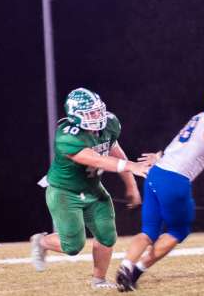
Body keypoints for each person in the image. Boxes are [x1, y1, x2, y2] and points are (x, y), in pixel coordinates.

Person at [116, 88, 204, 292]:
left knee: (149, 231)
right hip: (174, 179)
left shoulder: (199, 117)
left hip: (156, 173)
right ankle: (136, 272)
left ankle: (126, 266)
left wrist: (160, 156)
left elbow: (181, 144)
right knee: (178, 231)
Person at [30, 88, 147, 289]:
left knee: (107, 236)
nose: (97, 116)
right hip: (64, 192)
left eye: (97, 110)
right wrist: (132, 167)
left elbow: (116, 152)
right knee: (73, 246)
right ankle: (41, 242)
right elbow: (96, 159)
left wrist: (131, 185)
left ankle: (99, 281)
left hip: (93, 189)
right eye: (90, 113)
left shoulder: (109, 124)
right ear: (75, 115)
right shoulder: (67, 136)